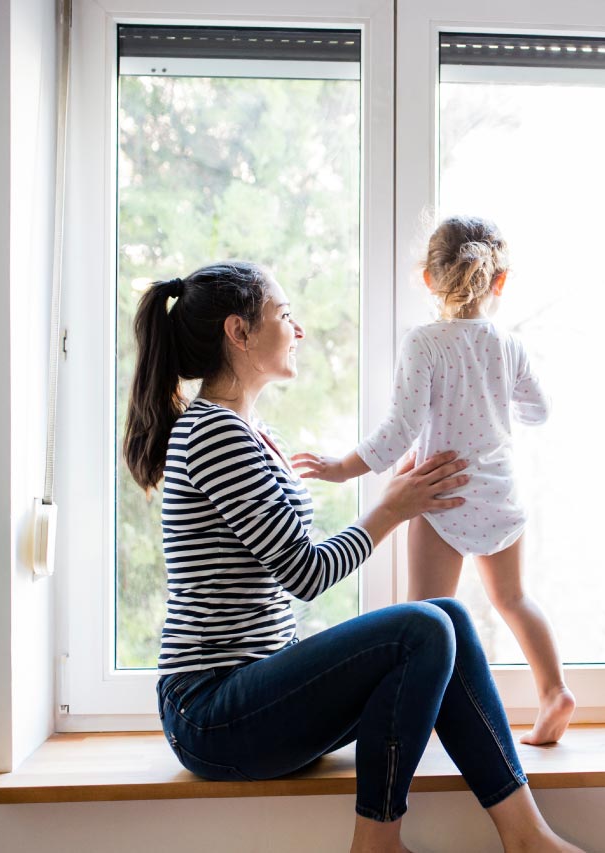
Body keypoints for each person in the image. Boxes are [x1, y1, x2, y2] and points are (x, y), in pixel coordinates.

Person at [124, 260, 581, 853]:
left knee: (448, 616)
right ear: (238, 333)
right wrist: (392, 508)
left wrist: (398, 500)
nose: (298, 329)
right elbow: (306, 573)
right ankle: (377, 845)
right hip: (211, 711)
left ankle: (528, 838)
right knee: (421, 627)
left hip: (253, 694)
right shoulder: (214, 433)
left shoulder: (252, 432)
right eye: (284, 315)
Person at [293, 216, 575, 746]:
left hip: (439, 492)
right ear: (500, 281)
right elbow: (539, 410)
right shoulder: (507, 344)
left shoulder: (423, 344)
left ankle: (420, 724)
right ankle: (554, 690)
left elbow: (399, 432)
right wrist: (493, 398)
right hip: (498, 492)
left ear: (428, 278)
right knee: (513, 599)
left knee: (425, 619)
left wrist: (339, 467)